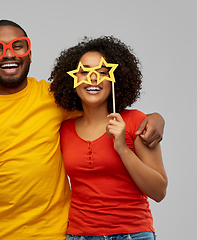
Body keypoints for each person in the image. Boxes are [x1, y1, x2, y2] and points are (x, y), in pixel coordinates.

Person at [0, 20, 165, 240]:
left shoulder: (53, 99)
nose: (9, 54)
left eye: (18, 46)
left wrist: (155, 118)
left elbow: (96, 105)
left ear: (30, 54)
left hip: (54, 234)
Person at [49, 36, 168, 240]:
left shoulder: (134, 121)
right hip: (79, 235)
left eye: (102, 72)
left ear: (114, 79)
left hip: (133, 234)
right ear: (72, 80)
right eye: (84, 72)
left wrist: (122, 148)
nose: (93, 78)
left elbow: (159, 191)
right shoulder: (63, 130)